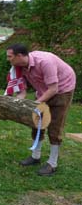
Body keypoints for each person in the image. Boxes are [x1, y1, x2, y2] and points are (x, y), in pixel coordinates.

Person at [6, 43, 76, 176]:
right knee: (37, 122)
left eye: (10, 56)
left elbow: (53, 89)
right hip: (44, 89)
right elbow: (22, 91)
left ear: (19, 56)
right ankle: (35, 156)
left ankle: (52, 163)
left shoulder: (45, 62)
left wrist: (37, 103)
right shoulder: (18, 67)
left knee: (55, 126)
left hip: (62, 89)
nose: (8, 59)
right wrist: (18, 102)